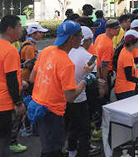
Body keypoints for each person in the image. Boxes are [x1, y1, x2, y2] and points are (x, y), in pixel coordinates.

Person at [30, 21, 95, 156]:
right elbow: (70, 97)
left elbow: (32, 78)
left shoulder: (46, 51)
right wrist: (85, 78)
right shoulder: (66, 63)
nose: (82, 39)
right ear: (72, 38)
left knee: (46, 147)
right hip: (53, 112)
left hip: (38, 106)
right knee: (53, 151)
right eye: (80, 36)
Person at [66, 26, 99, 157]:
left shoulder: (66, 52)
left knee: (71, 128)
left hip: (65, 96)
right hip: (80, 97)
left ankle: (71, 152)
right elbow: (92, 78)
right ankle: (83, 152)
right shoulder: (90, 57)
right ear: (87, 40)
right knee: (84, 130)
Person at [0, 15, 26, 156]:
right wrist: (18, 102)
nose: (22, 29)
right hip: (5, 103)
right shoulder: (10, 50)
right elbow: (10, 79)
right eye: (19, 26)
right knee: (4, 140)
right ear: (10, 29)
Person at [115, 30, 138, 100]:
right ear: (133, 42)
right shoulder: (127, 55)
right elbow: (128, 77)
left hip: (126, 88)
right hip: (125, 90)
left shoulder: (126, 51)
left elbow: (128, 68)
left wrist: (137, 66)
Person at [94, 20, 120, 93]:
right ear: (109, 30)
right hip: (104, 73)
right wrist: (104, 82)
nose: (119, 30)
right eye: (116, 29)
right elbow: (104, 64)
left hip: (97, 71)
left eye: (119, 28)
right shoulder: (107, 44)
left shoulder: (100, 36)